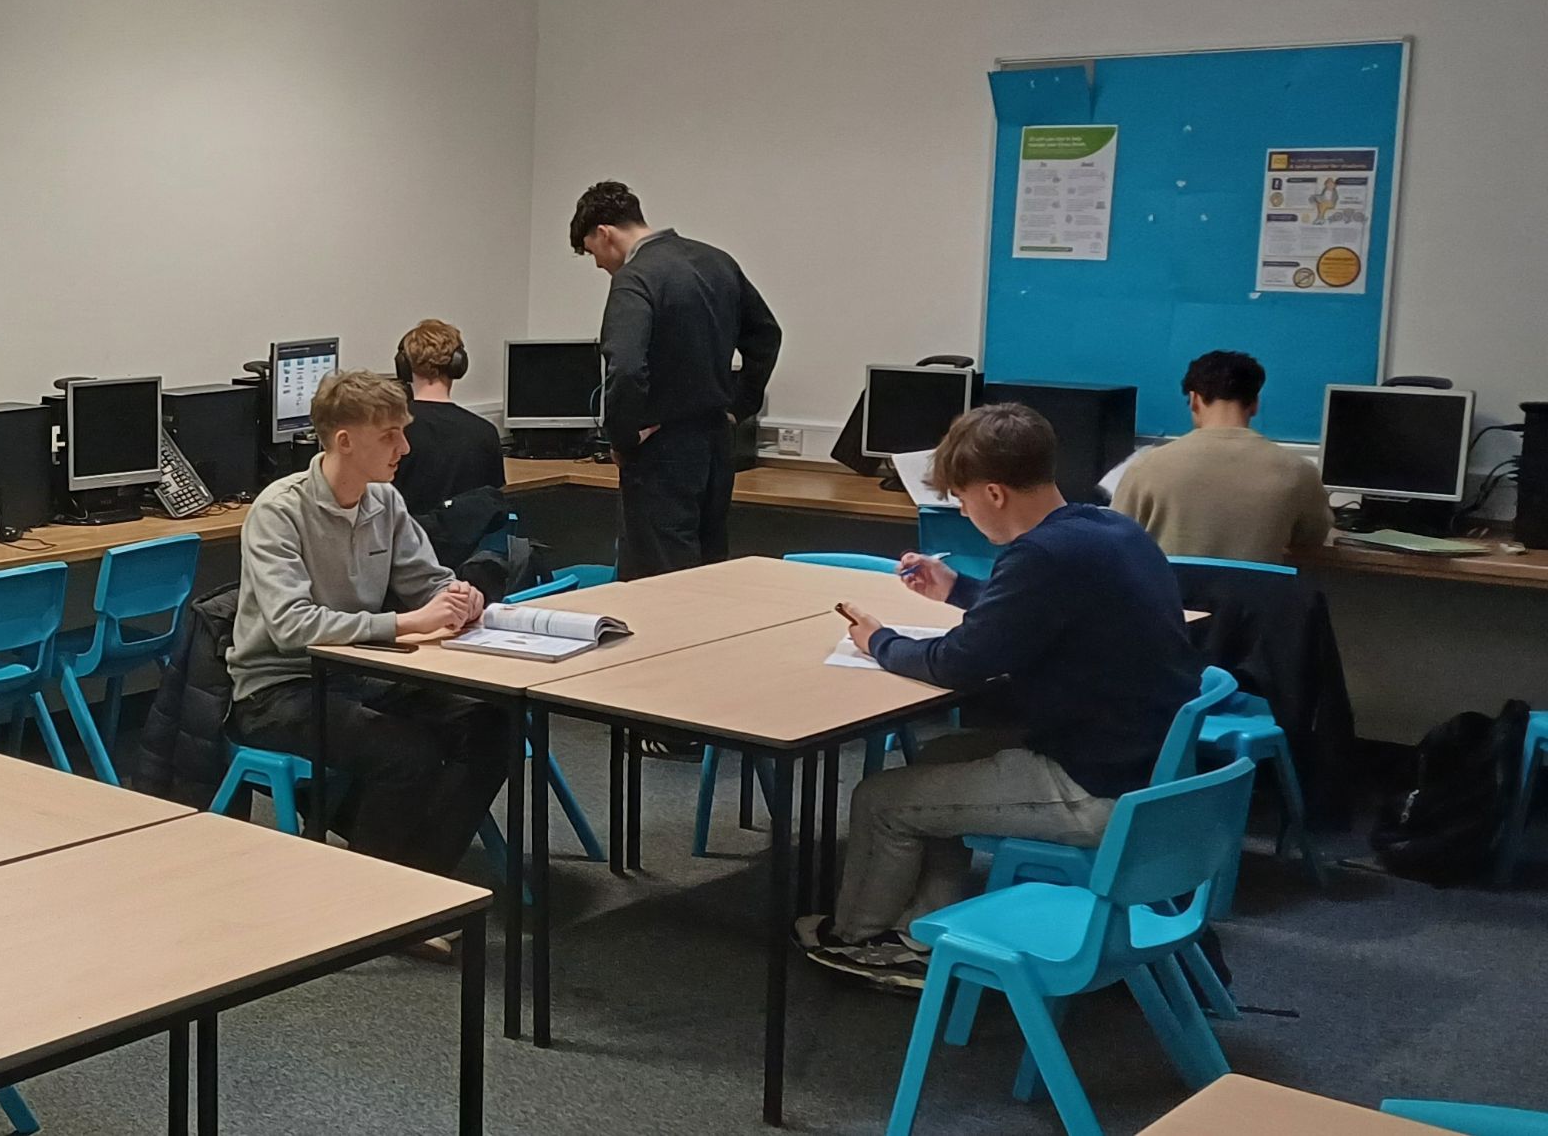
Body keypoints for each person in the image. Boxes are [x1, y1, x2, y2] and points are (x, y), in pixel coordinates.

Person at [806, 404, 1198, 990]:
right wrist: (958, 590)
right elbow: (1036, 614)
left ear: (992, 492)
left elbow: (959, 663)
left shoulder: (1038, 556)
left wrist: (878, 640)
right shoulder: (1107, 527)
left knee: (881, 799)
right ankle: (923, 932)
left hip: (1096, 784)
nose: (961, 513)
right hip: (1150, 767)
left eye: (961, 500)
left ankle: (858, 937)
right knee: (941, 760)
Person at [228, 370, 514, 908]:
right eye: (390, 435)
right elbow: (293, 627)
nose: (404, 447)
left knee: (493, 722)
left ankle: (412, 885)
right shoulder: (278, 511)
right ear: (345, 441)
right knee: (405, 752)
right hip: (278, 689)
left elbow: (426, 582)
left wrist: (460, 595)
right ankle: (380, 898)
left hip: (357, 673)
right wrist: (407, 624)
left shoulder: (385, 502)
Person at [568, 181, 781, 578]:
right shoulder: (718, 262)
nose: (598, 264)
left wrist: (623, 439)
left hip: (661, 451)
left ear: (604, 232)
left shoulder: (635, 279)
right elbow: (767, 335)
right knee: (709, 573)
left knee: (658, 582)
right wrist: (740, 406)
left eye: (591, 251)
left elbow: (627, 368)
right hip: (717, 444)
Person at [1112, 350, 1334, 564]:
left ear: (1194, 399)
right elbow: (1312, 539)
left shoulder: (1147, 467)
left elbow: (1114, 539)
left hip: (1168, 601)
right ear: (1255, 404)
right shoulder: (1298, 471)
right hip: (1255, 601)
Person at [390, 318, 508, 535]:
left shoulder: (392, 431)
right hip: (469, 560)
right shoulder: (485, 432)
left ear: (404, 366)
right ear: (458, 365)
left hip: (406, 553)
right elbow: (493, 503)